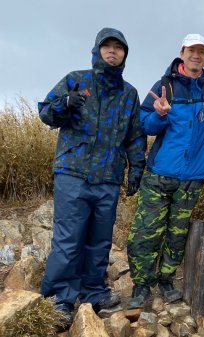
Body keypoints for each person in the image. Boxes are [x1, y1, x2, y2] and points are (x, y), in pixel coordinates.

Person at [126, 33, 204, 308]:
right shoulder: (164, 85)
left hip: (193, 178)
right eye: (192, 50)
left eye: (202, 52)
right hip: (159, 175)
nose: (197, 55)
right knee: (146, 232)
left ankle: (166, 281)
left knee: (177, 234)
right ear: (182, 53)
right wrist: (160, 114)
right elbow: (146, 126)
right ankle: (141, 285)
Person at [38, 27, 147, 327]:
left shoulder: (129, 94)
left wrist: (135, 169)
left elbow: (135, 137)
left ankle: (93, 292)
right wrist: (65, 103)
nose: (112, 51)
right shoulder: (76, 79)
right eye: (107, 46)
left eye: (118, 47)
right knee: (69, 239)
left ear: (125, 54)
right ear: (97, 50)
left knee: (99, 242)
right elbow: (46, 112)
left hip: (108, 179)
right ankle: (59, 299)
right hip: (72, 172)